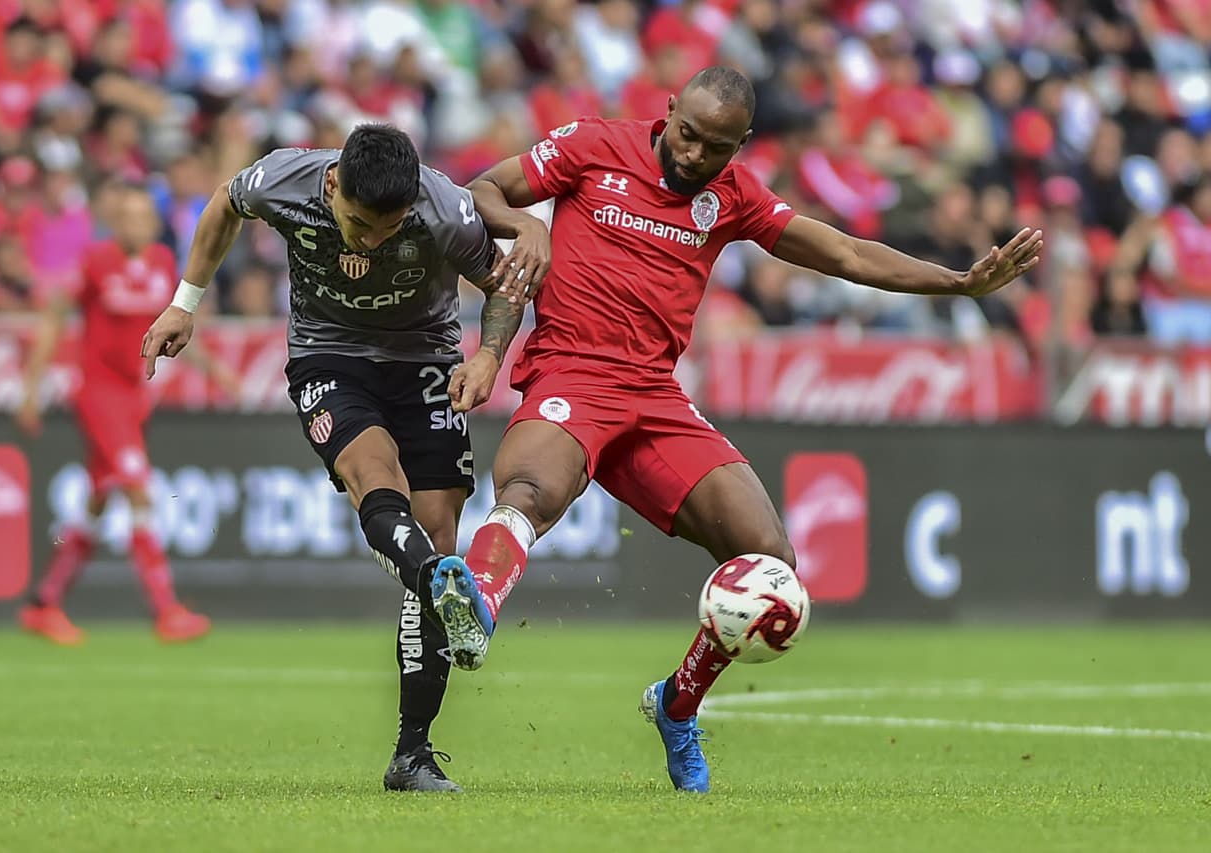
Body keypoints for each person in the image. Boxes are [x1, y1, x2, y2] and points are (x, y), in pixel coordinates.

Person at [445, 66, 1043, 793]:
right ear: (669, 112)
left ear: (741, 146)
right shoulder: (593, 145)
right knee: (530, 486)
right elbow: (479, 188)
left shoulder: (733, 196)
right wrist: (526, 222)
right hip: (573, 372)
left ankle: (676, 705)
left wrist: (954, 283)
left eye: (715, 147)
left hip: (656, 398)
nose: (694, 156)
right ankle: (476, 598)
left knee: (770, 560)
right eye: (688, 134)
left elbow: (845, 253)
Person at [139, 124, 529, 792]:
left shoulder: (445, 208)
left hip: (428, 361)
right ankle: (440, 579)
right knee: (372, 475)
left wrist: (490, 353)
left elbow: (504, 280)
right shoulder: (284, 179)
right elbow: (223, 206)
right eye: (358, 223)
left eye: (388, 228)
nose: (371, 242)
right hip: (330, 356)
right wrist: (185, 303)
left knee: (436, 525)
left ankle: (412, 753)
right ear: (332, 185)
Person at [17, 182, 239, 645]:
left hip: (135, 398)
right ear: (115, 220)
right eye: (128, 215)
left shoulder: (161, 263)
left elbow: (168, 325)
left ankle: (44, 604)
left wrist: (214, 367)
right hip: (98, 395)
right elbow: (55, 317)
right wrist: (32, 390)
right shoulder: (95, 262)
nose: (136, 223)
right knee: (138, 489)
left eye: (144, 216)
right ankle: (167, 609)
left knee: (99, 501)